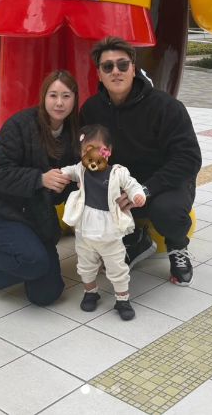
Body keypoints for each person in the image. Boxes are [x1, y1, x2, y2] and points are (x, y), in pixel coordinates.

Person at [80, 36, 202, 286]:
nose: (116, 71)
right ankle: (135, 240)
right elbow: (87, 153)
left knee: (168, 211)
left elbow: (188, 158)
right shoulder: (92, 109)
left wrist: (146, 189)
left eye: (123, 65)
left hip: (164, 184)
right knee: (82, 194)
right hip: (122, 184)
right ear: (99, 73)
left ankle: (177, 247)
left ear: (133, 69)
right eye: (108, 66)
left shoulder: (166, 107)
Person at [0, 70, 78, 305]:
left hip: (39, 216)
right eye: (53, 95)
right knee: (34, 262)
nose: (59, 103)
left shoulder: (72, 134)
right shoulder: (19, 124)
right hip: (4, 212)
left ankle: (26, 262)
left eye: (66, 96)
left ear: (74, 99)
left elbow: (64, 190)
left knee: (46, 294)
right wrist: (40, 179)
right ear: (44, 96)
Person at [61, 123, 145, 321]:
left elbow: (132, 184)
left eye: (98, 149)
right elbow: (68, 171)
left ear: (109, 150)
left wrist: (138, 194)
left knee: (117, 266)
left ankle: (122, 299)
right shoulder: (81, 169)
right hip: (85, 231)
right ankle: (91, 293)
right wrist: (62, 174)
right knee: (85, 265)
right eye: (86, 150)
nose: (93, 155)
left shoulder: (117, 172)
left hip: (110, 231)